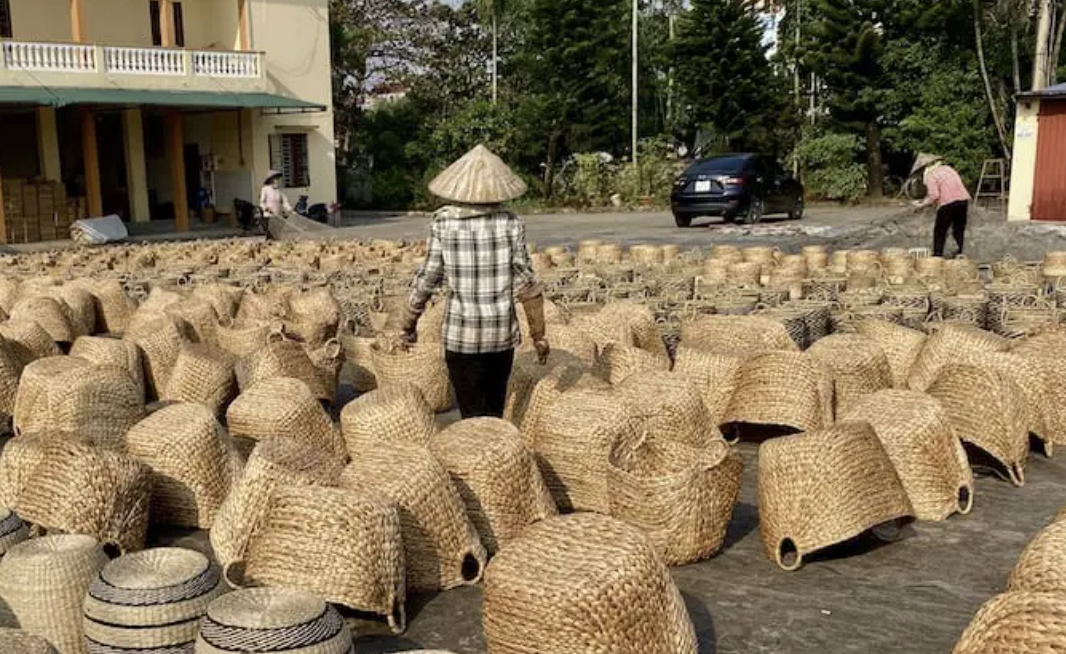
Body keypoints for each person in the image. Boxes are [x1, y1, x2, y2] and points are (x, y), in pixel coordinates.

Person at [401, 145, 550, 419]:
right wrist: (539, 335)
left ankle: (475, 458)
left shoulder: (443, 224)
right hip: (500, 336)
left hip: (462, 336)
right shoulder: (511, 224)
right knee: (493, 412)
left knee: (471, 415)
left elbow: (428, 277)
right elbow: (527, 282)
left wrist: (407, 323)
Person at [911, 153, 972, 258]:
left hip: (948, 203)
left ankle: (937, 256)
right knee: (958, 230)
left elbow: (934, 195)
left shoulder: (931, 175)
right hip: (963, 200)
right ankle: (959, 254)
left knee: (940, 230)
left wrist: (921, 205)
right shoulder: (948, 169)